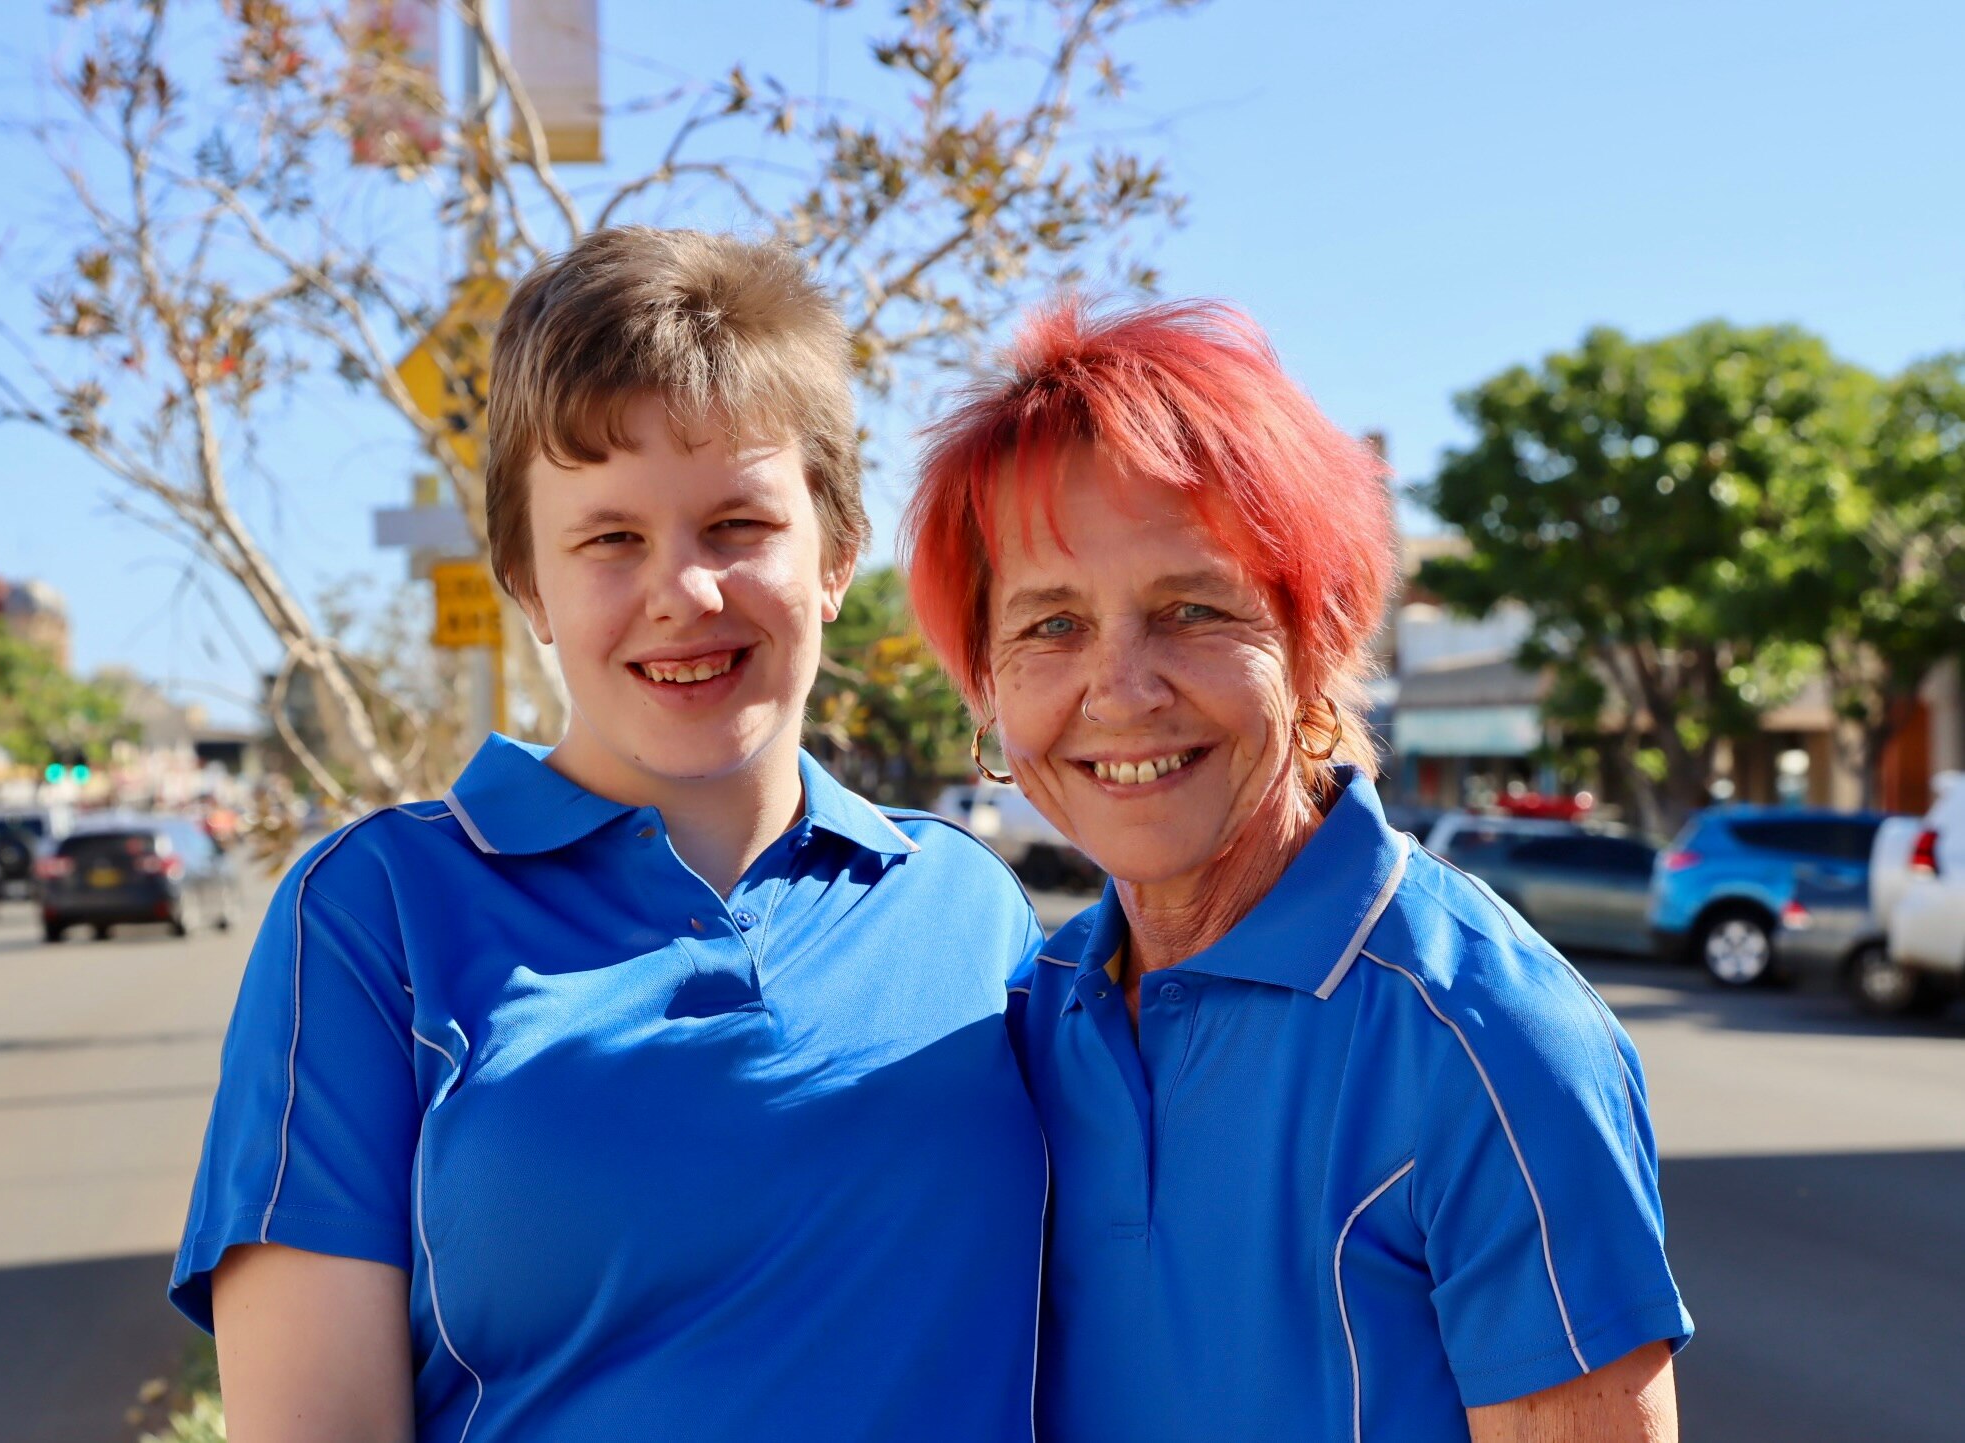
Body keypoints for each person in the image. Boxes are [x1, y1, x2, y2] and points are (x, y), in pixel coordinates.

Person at [170, 228, 1048, 1442]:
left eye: (738, 524)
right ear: (527, 581)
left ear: (839, 552)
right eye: (609, 538)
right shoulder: (373, 917)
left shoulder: (967, 906)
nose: (682, 591)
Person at [902, 298, 1692, 1443]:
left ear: (1316, 639)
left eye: (1191, 608)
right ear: (984, 682)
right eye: (1051, 626)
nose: (1121, 692)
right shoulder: (1026, 1019)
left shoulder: (1486, 1039)